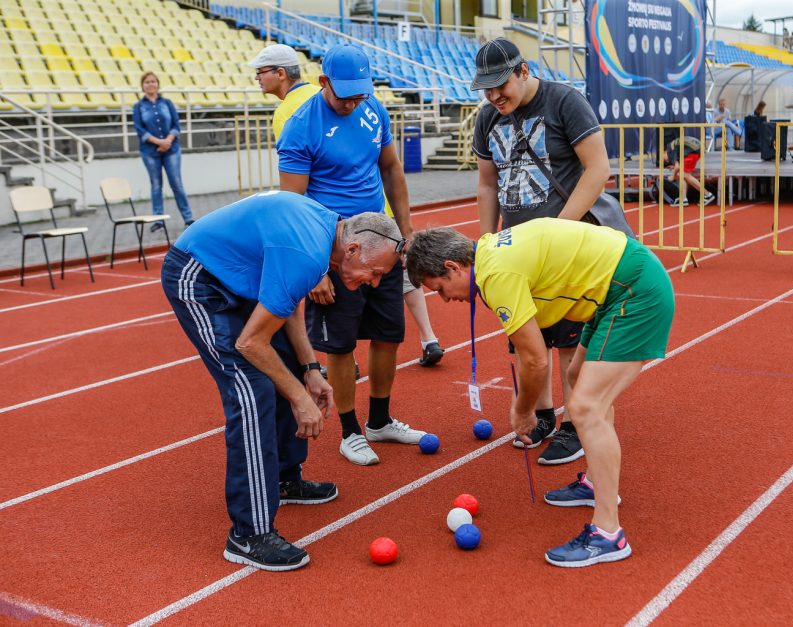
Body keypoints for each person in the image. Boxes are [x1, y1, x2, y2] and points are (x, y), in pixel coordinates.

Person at [405, 219, 675, 567]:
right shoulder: (488, 251)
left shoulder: (495, 274)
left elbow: (534, 360)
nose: (443, 298)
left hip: (632, 290)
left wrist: (523, 410)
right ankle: (594, 483)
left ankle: (608, 533)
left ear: (452, 267)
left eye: (438, 288)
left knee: (586, 407)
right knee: (579, 379)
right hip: (613, 288)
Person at [160, 190, 405, 571]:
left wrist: (309, 369)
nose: (374, 282)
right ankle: (249, 534)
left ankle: (284, 480)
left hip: (240, 280)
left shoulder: (329, 235)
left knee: (288, 368)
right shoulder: (309, 252)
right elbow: (250, 343)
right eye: (375, 272)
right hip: (200, 279)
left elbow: (283, 298)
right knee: (252, 390)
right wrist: (299, 398)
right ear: (354, 249)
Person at [278, 43, 434, 466]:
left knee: (389, 333)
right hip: (333, 252)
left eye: (359, 93)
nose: (352, 101)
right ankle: (349, 431)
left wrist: (406, 233)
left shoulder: (373, 110)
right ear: (322, 82)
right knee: (341, 344)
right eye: (344, 93)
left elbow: (391, 169)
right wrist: (314, 271)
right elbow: (293, 208)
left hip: (380, 243)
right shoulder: (300, 127)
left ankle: (379, 421)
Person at [470, 37, 615, 465]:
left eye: (502, 86)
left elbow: (598, 169)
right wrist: (486, 239)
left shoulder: (564, 102)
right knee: (527, 339)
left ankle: (573, 426)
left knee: (571, 343)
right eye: (487, 89)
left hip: (567, 246)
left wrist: (559, 230)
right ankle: (545, 414)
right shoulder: (486, 119)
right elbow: (486, 183)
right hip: (518, 249)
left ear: (524, 71)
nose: (495, 96)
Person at [132, 71, 193, 233]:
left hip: (171, 149)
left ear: (157, 84)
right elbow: (140, 130)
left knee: (177, 184)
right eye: (147, 82)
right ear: (142, 86)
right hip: (150, 152)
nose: (150, 84)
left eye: (153, 81)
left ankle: (188, 218)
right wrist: (159, 142)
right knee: (156, 185)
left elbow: (176, 125)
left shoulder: (167, 103)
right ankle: (158, 220)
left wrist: (168, 141)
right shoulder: (138, 107)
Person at [247, 43, 319, 141]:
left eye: (260, 72)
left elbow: (291, 155)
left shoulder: (283, 114)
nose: (256, 77)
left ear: (280, 73)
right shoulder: (321, 93)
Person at [664, 135, 715, 206]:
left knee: (685, 174)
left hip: (692, 151)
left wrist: (673, 177)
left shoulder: (670, 149)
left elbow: (677, 167)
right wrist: (675, 166)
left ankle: (707, 194)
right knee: (684, 174)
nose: (667, 161)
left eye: (665, 160)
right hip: (697, 148)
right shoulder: (674, 145)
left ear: (663, 152)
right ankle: (683, 199)